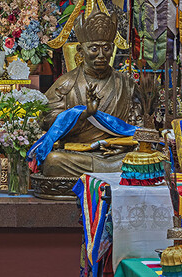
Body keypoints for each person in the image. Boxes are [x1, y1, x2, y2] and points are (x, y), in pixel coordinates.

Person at [28, 12, 139, 179]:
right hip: (78, 155)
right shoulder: (66, 83)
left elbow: (138, 128)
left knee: (146, 160)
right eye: (94, 49)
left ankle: (106, 170)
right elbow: (46, 122)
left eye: (106, 48)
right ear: (81, 50)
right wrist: (83, 114)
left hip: (116, 155)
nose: (101, 55)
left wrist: (125, 145)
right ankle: (107, 172)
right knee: (53, 161)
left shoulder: (126, 84)